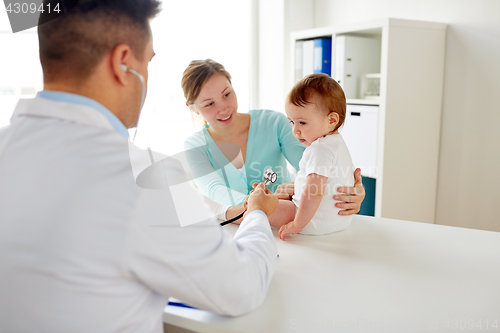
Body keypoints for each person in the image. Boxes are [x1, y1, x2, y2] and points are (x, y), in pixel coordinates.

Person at [0, 1, 279, 332]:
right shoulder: (144, 177)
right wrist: (258, 213)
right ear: (123, 63)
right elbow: (241, 287)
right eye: (147, 62)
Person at [182, 59, 366, 227]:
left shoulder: (273, 123)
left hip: (292, 225)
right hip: (239, 227)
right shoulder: (195, 146)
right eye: (209, 104)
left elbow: (318, 166)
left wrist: (348, 189)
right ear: (192, 107)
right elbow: (215, 192)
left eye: (226, 94)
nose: (223, 108)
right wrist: (261, 205)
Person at [278, 74, 354, 240]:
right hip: (339, 221)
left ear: (332, 120)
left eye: (302, 123)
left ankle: (225, 213)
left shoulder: (319, 149)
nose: (295, 130)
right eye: (292, 121)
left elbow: (314, 192)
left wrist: (297, 224)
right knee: (276, 196)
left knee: (260, 207)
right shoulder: (336, 142)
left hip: (310, 220)